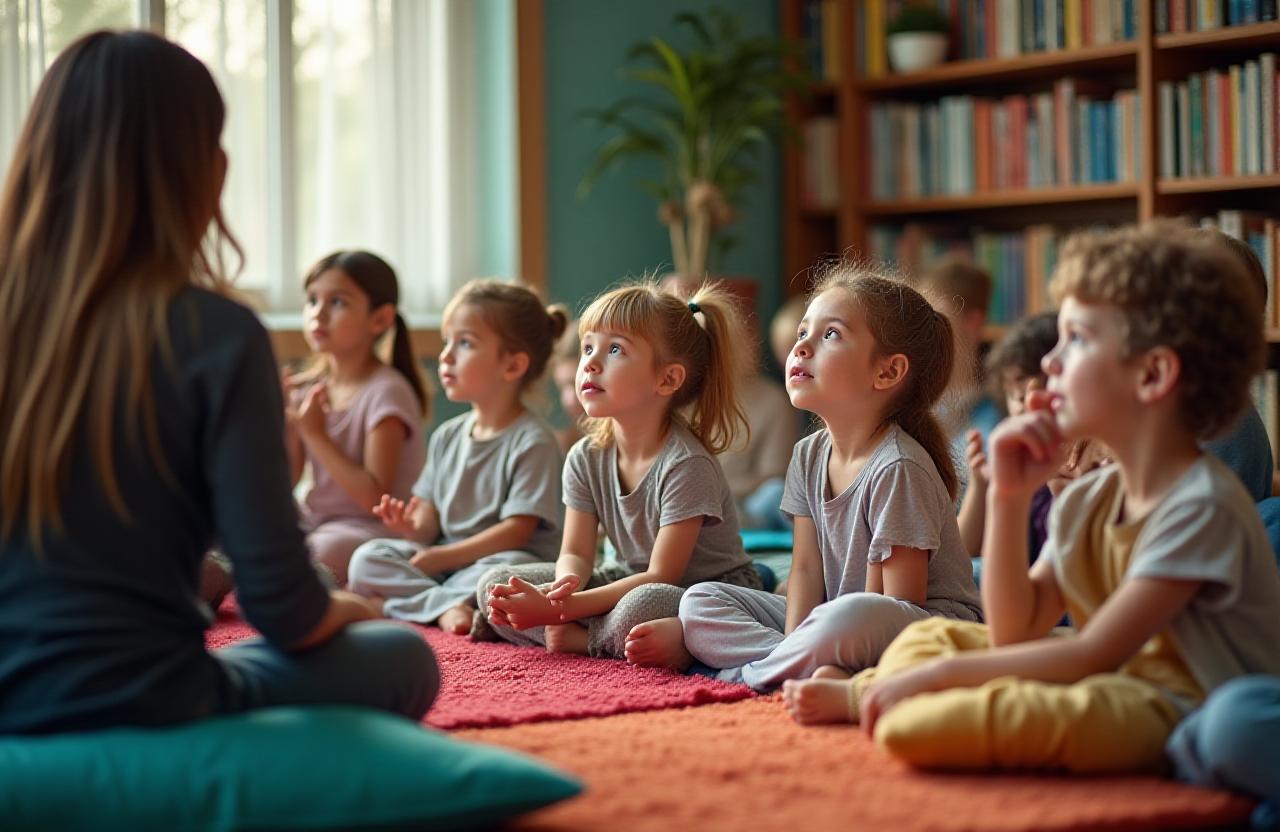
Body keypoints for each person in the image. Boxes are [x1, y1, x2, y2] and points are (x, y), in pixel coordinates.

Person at [0, 31, 437, 734]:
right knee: (403, 657)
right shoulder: (222, 334)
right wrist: (347, 608)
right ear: (205, 171)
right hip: (153, 698)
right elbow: (286, 611)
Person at [783, 221, 1280, 780]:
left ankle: (874, 696)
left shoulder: (1199, 504)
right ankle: (885, 690)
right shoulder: (1088, 499)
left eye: (1079, 340)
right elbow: (1015, 628)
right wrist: (1012, 497)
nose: (1050, 362)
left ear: (1153, 373)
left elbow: (1094, 654)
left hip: (1176, 700)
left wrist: (939, 679)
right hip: (1114, 678)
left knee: (1232, 724)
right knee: (929, 636)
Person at [643, 266, 982, 686]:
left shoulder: (899, 467)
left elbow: (898, 604)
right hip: (834, 618)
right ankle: (797, 665)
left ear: (888, 372)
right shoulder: (808, 454)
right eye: (803, 332)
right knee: (700, 601)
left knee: (848, 617)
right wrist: (796, 638)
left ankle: (742, 673)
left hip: (923, 629)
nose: (801, 347)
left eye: (831, 335)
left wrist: (827, 627)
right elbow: (803, 570)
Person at [478, 281, 761, 661]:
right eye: (588, 348)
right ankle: (598, 637)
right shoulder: (584, 457)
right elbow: (577, 553)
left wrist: (558, 611)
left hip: (699, 590)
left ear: (668, 379)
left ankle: (583, 640)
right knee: (494, 585)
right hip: (620, 577)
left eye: (615, 350)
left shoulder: (686, 465)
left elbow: (662, 575)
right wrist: (561, 590)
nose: (591, 363)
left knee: (642, 607)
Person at [347, 280, 567, 634]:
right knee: (366, 558)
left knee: (501, 575)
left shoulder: (533, 441)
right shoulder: (448, 435)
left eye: (464, 343)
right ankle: (444, 606)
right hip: (449, 563)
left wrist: (442, 557)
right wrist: (412, 528)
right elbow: (430, 519)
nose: (446, 355)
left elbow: (516, 532)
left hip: (503, 560)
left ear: (512, 366)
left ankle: (402, 603)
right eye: (447, 341)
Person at [286, 250, 429, 584]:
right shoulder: (308, 390)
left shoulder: (387, 392)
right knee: (235, 526)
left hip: (371, 530)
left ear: (379, 319)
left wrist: (315, 435)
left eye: (338, 303)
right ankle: (220, 576)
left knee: (319, 552)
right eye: (312, 300)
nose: (318, 314)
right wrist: (282, 424)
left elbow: (374, 499)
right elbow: (287, 481)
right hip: (316, 522)